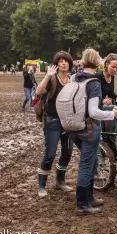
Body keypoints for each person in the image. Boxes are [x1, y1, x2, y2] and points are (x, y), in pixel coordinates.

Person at [70, 48, 117, 214]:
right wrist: (112, 114)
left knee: (92, 162)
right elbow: (93, 111)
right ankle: (82, 204)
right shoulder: (93, 82)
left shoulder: (75, 78)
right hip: (89, 128)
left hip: (74, 127)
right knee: (86, 165)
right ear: (99, 61)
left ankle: (90, 197)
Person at [36, 51, 74, 197]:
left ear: (69, 64)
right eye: (61, 61)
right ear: (56, 64)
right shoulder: (52, 78)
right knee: (50, 153)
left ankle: (60, 181)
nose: (64, 63)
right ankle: (41, 185)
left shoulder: (71, 81)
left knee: (67, 152)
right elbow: (39, 92)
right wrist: (47, 75)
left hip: (67, 121)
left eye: (66, 61)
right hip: (52, 120)